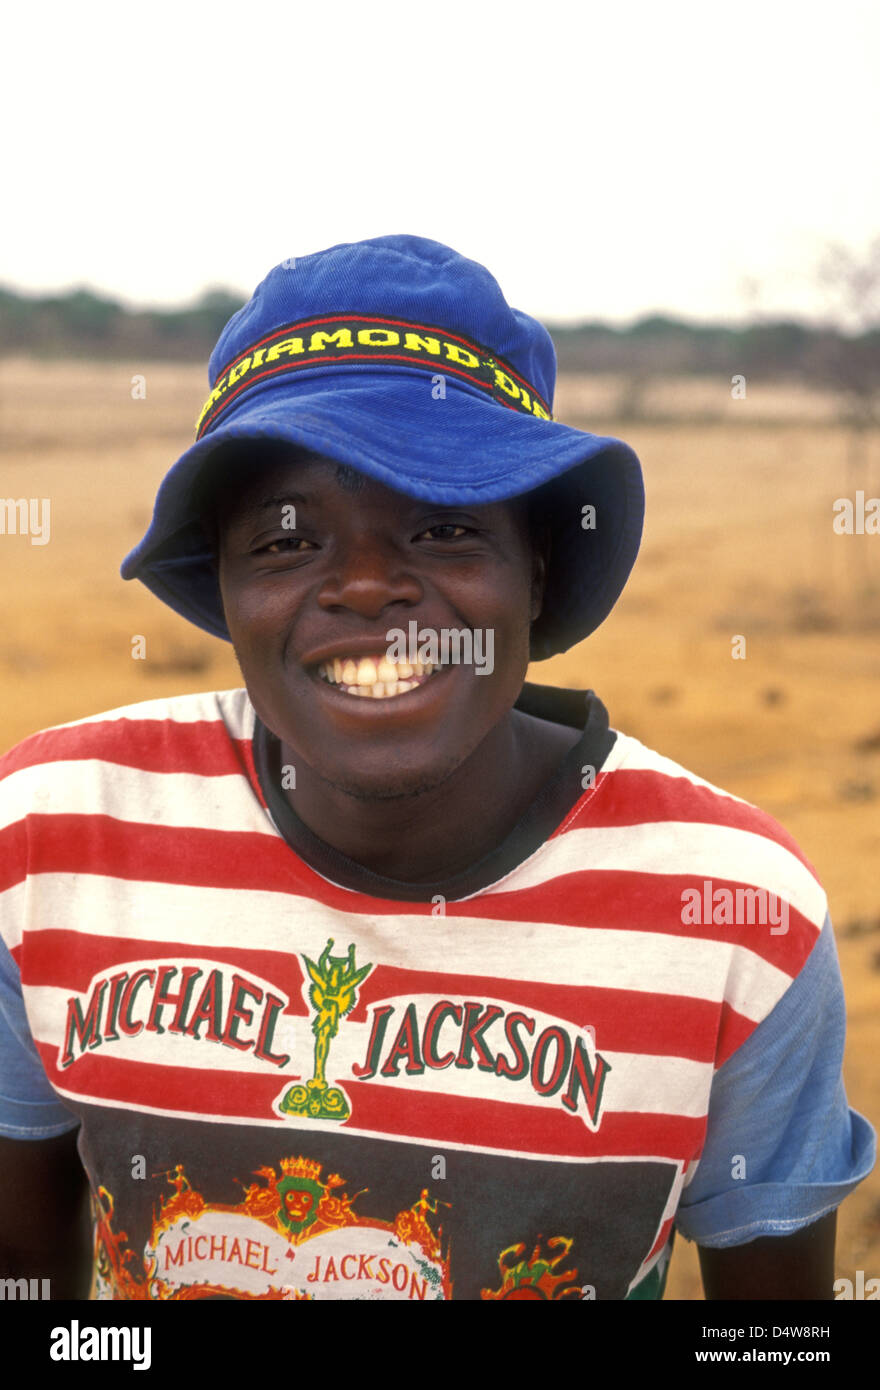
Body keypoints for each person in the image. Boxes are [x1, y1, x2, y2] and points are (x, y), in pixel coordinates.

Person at [0, 235, 873, 1302]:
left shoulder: (738, 916)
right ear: (222, 582)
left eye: (445, 526)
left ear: (535, 569)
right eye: (285, 540)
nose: (367, 588)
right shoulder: (46, 840)